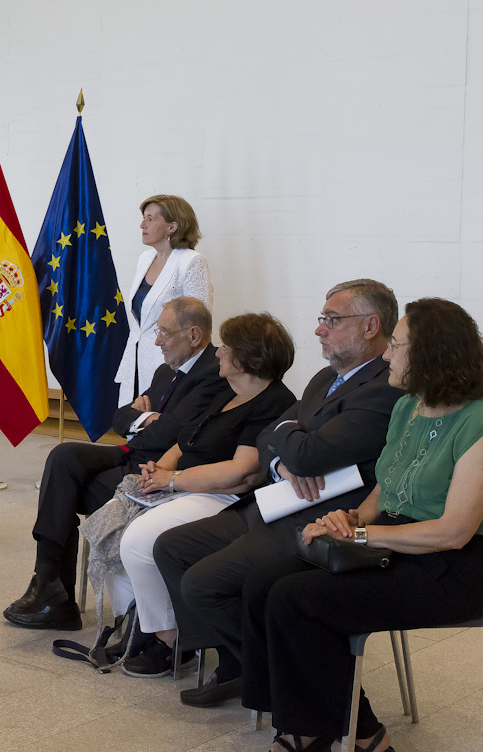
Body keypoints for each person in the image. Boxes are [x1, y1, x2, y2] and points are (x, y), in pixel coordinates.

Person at [248, 298, 483, 752]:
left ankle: (360, 733)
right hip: (392, 546)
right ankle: (307, 720)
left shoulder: (481, 426)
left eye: (396, 345)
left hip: (450, 569)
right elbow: (385, 489)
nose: (387, 353)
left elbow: (453, 532)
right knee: (263, 582)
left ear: (430, 354)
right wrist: (350, 519)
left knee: (298, 599)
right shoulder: (409, 407)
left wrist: (362, 534)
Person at [154, 279, 401, 710]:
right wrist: (284, 462)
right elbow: (269, 436)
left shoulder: (384, 387)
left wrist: (289, 445)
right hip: (278, 500)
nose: (319, 329)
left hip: (320, 519)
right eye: (322, 319)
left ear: (370, 326)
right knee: (172, 548)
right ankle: (244, 665)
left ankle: (286, 678)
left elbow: (309, 452)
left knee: (203, 584)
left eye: (331, 320)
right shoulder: (326, 377)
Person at [88, 312, 297, 677]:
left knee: (137, 540)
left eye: (226, 347)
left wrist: (171, 479)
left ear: (246, 358)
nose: (218, 353)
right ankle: (138, 625)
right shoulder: (228, 393)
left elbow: (240, 472)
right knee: (108, 526)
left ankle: (170, 639)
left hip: (224, 496)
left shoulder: (273, 401)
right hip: (185, 484)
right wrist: (157, 471)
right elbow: (183, 443)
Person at [3, 296, 231, 630]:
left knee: (62, 494)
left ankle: (57, 598)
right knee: (63, 456)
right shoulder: (166, 371)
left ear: (194, 335)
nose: (157, 341)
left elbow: (174, 433)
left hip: (155, 472)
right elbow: (121, 417)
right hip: (131, 454)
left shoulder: (214, 373)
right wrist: (147, 419)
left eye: (165, 333)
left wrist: (145, 419)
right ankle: (47, 578)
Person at [114, 195, 212, 407]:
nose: (142, 225)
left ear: (172, 227)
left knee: (156, 419)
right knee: (130, 418)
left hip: (170, 361)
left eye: (150, 218)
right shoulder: (145, 258)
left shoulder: (191, 261)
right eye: (143, 218)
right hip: (136, 359)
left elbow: (199, 321)